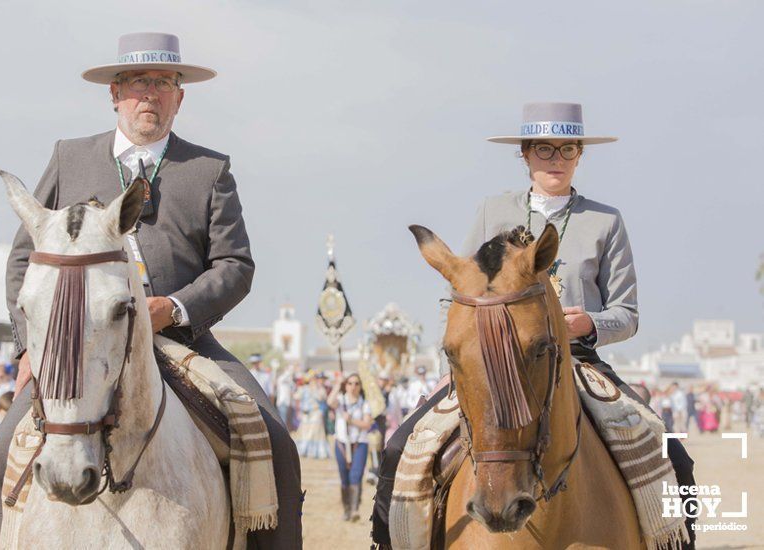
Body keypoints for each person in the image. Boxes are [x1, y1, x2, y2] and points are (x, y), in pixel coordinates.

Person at [0, 32, 302, 548]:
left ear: (179, 96)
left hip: (182, 341)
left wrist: (172, 309)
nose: (150, 94)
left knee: (277, 445)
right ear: (115, 93)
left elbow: (235, 266)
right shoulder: (69, 157)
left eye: (163, 83)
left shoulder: (209, 170)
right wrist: (29, 347)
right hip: (76, 347)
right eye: (138, 83)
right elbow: (25, 257)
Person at [372, 102, 697, 548]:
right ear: (524, 155)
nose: (556, 159)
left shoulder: (606, 221)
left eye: (567, 149)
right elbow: (461, 289)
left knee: (671, 454)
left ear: (580, 155)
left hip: (577, 360)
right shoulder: (492, 210)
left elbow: (627, 313)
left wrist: (588, 322)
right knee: (400, 447)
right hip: (492, 361)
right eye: (544, 149)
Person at [327, 373, 373, 522]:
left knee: (356, 475)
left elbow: (367, 424)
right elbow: (330, 402)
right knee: (344, 478)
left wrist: (351, 420)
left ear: (360, 386)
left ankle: (354, 510)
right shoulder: (340, 400)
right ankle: (346, 508)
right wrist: (337, 384)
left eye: (356, 383)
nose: (353, 386)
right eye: (350, 383)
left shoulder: (364, 403)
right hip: (341, 443)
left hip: (359, 443)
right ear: (346, 386)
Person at [295, 371, 330, 459]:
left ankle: (315, 452)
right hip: (306, 414)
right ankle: (304, 450)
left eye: (314, 379)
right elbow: (296, 396)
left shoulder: (320, 389)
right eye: (311, 379)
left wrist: (315, 390)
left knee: (314, 432)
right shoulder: (304, 388)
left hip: (316, 412)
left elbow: (322, 397)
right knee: (305, 432)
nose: (313, 381)